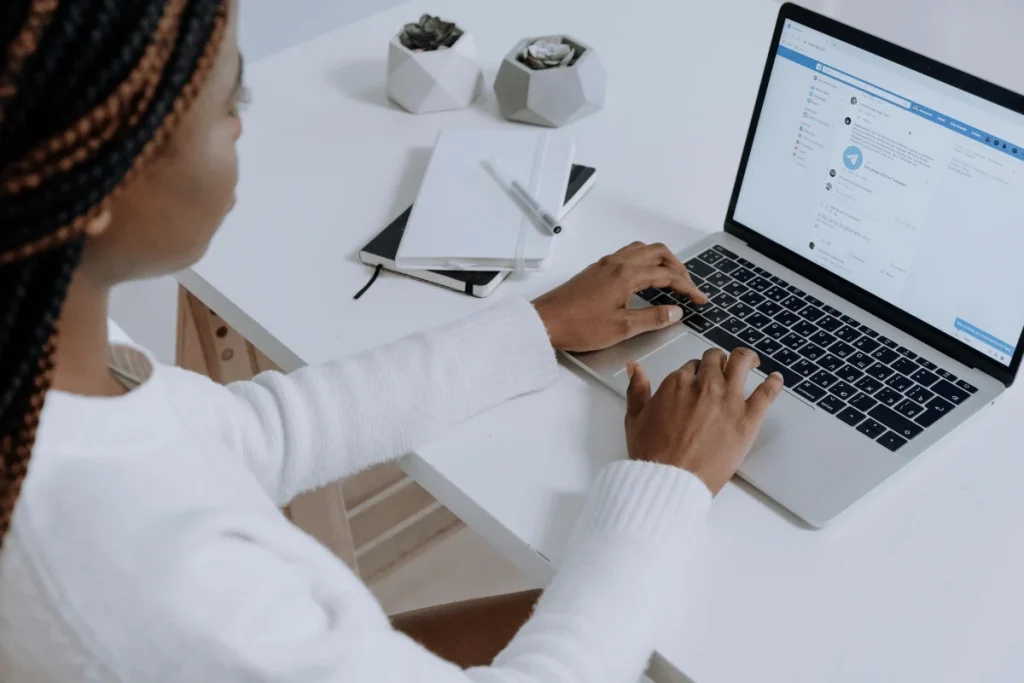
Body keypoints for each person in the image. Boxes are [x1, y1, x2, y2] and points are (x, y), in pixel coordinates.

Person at [0, 1, 783, 681]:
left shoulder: (41, 357)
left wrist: (536, 325)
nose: (240, 122)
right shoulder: (158, 582)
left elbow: (250, 431)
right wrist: (665, 480)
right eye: (223, 100)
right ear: (88, 179)